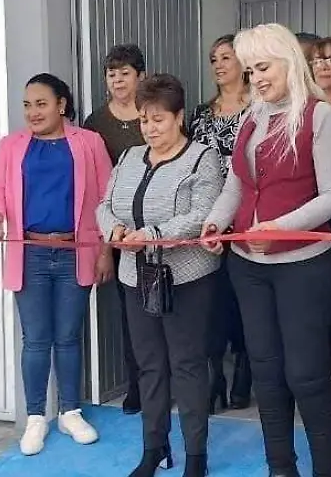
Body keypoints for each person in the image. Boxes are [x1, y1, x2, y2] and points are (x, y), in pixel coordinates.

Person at [202, 23, 331, 477]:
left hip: (304, 268)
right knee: (266, 374)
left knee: (306, 376)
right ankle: (280, 468)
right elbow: (236, 185)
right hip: (248, 266)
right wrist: (216, 220)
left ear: (289, 60)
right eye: (250, 71)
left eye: (263, 67)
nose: (257, 78)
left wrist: (279, 229)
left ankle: (326, 470)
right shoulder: (252, 117)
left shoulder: (319, 116)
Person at [98, 74, 225, 477]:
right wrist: (114, 232)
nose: (150, 129)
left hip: (187, 278)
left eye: (159, 120)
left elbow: (202, 213)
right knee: (149, 365)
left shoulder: (203, 157)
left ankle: (195, 457)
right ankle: (154, 448)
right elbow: (105, 204)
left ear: (179, 116)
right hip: (136, 276)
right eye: (144, 121)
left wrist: (151, 235)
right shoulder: (129, 158)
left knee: (187, 365)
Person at [0, 73, 113, 456]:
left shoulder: (88, 143)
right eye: (27, 105)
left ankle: (71, 412)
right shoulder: (12, 146)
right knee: (36, 339)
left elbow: (107, 197)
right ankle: (37, 417)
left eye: (41, 103)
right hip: (31, 252)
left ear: (61, 105)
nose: (33, 112)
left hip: (76, 251)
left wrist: (105, 250)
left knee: (69, 337)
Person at [188, 34, 253, 413]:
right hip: (207, 217)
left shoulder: (257, 109)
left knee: (241, 302)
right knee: (209, 304)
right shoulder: (202, 112)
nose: (218, 65)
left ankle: (244, 373)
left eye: (226, 57)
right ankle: (214, 378)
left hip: (245, 216)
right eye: (214, 58)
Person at [83, 42, 147, 414]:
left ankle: (168, 380)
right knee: (130, 314)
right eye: (112, 73)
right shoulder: (96, 123)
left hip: (161, 227)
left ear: (141, 76)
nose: (118, 79)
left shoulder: (155, 113)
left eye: (125, 72)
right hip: (119, 230)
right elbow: (95, 182)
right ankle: (137, 384)